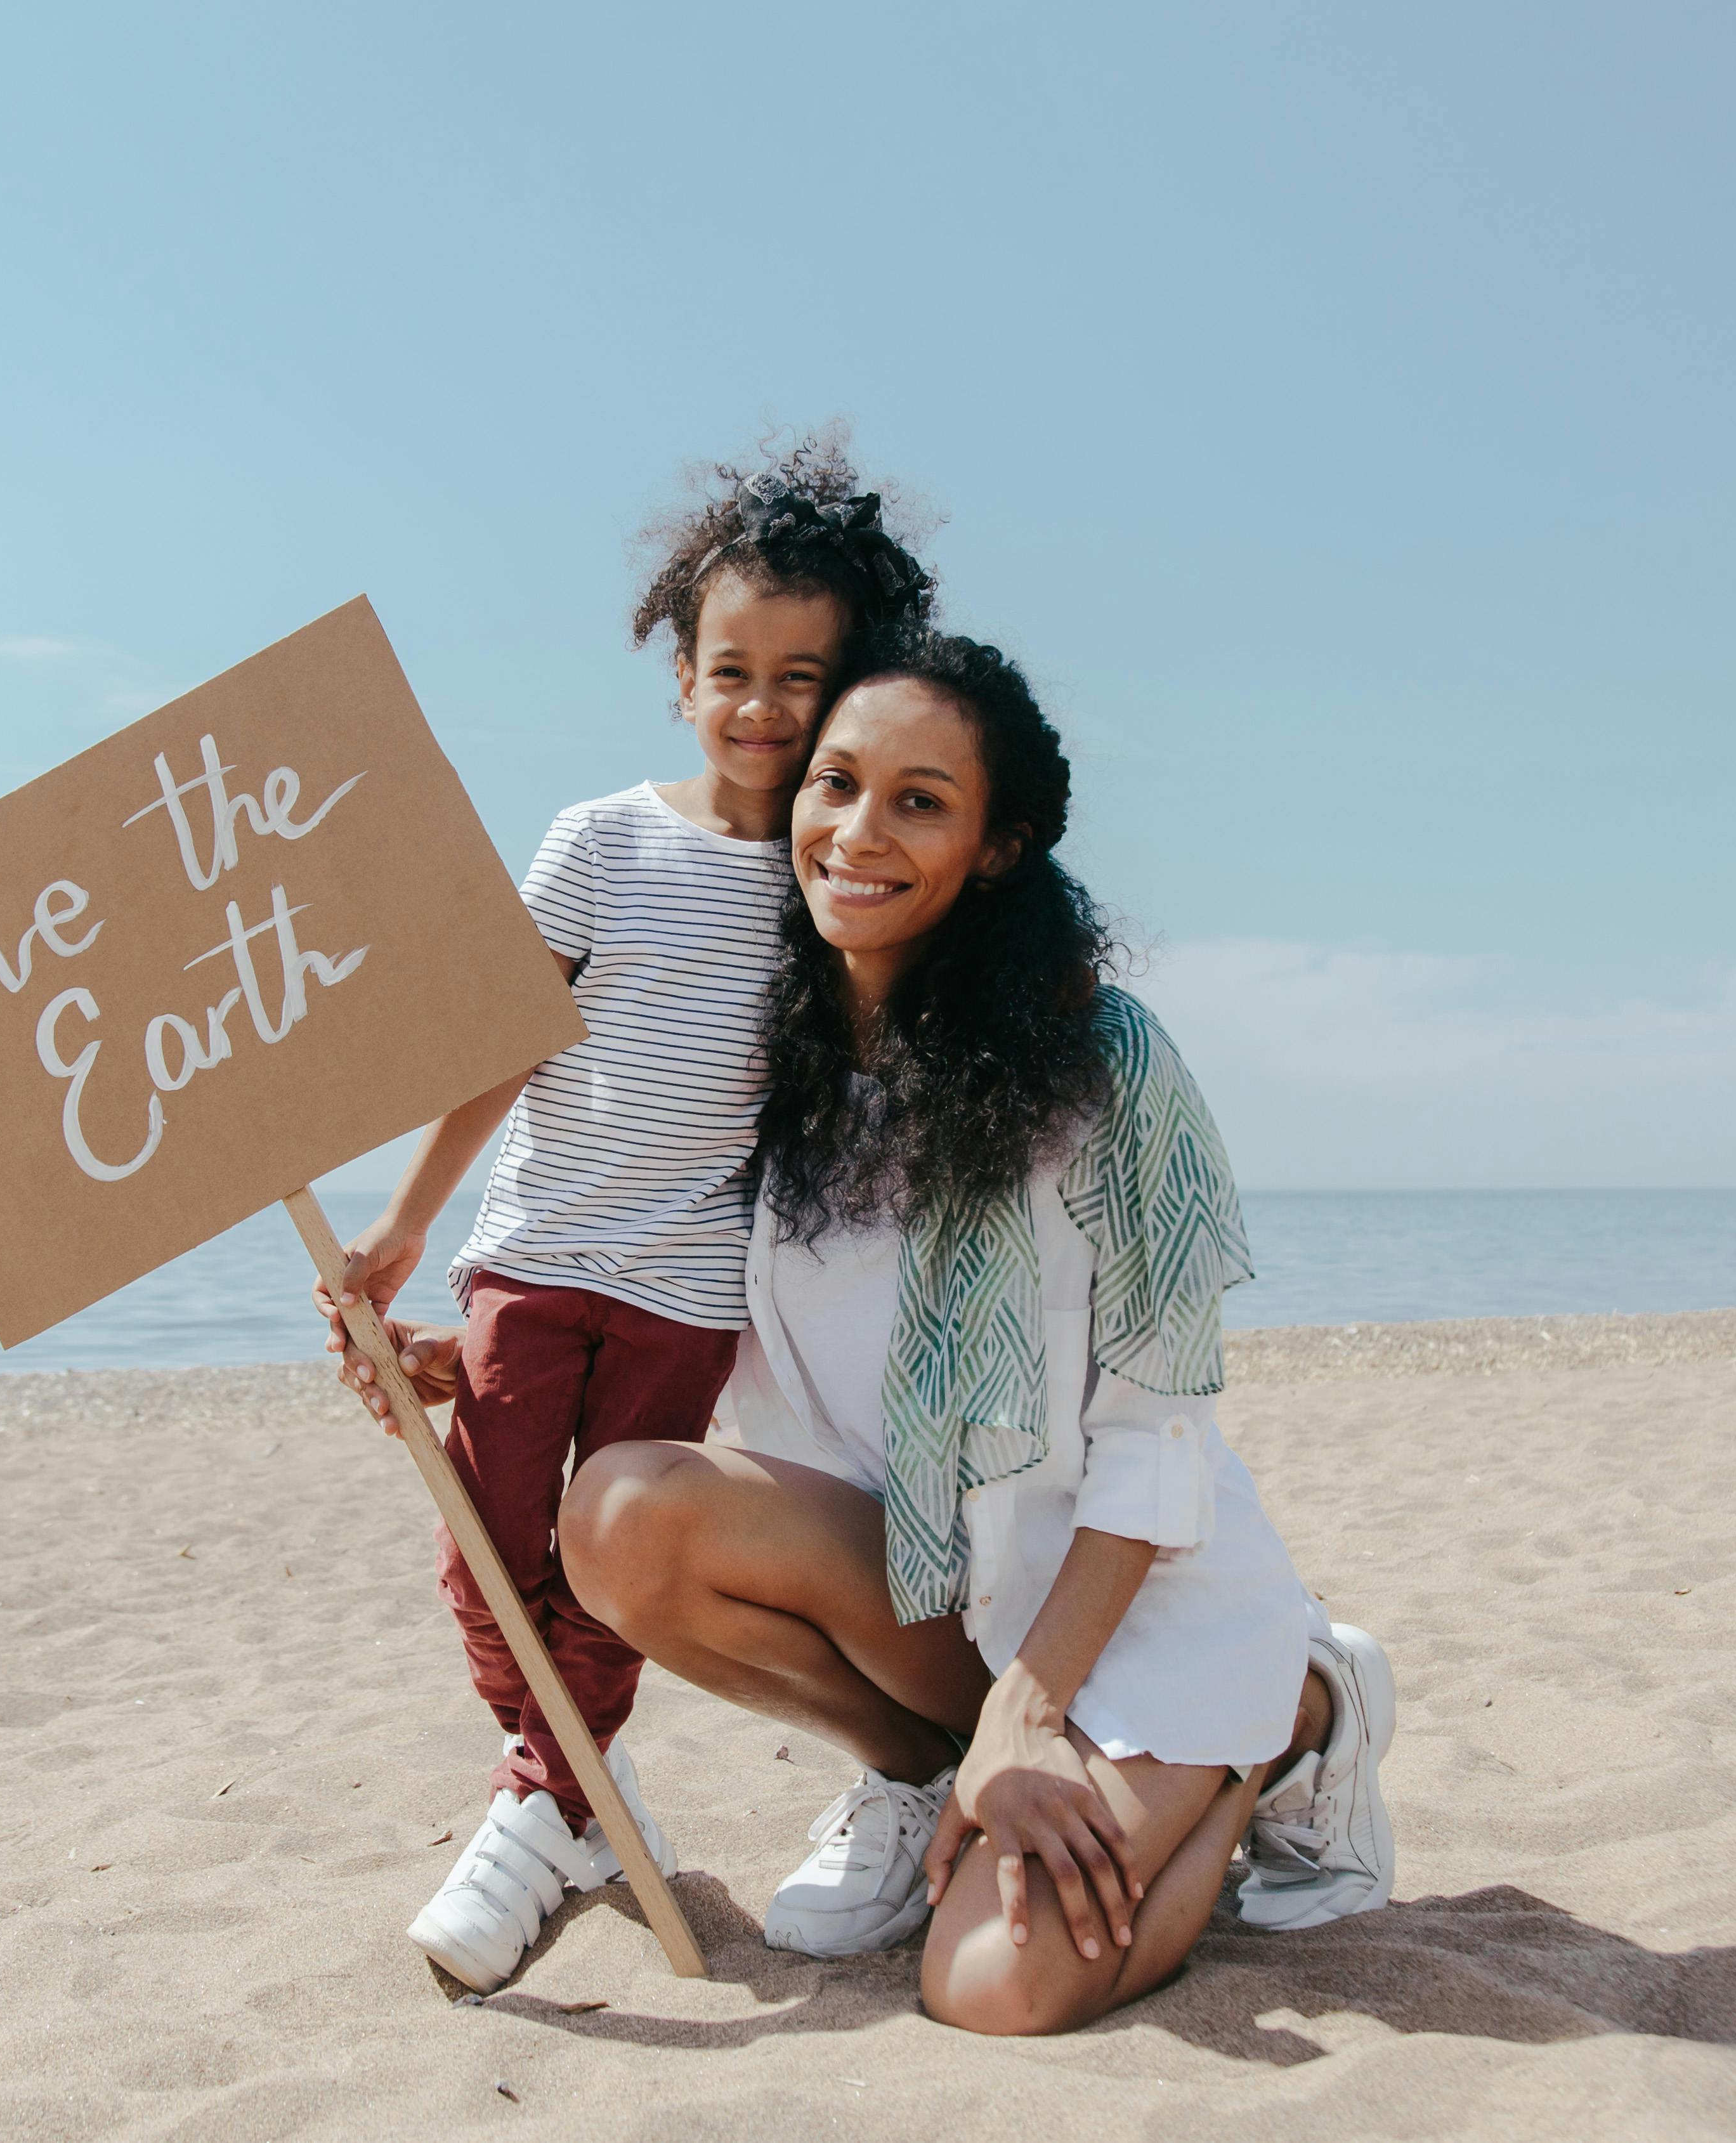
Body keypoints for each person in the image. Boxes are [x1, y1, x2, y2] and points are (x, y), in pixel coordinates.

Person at [348, 629, 1396, 2033]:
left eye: (918, 801)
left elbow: (1160, 1441)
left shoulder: (1106, 1066)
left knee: (991, 1987)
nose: (854, 831)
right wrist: (462, 1350)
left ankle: (1286, 1725)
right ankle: (921, 1767)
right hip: (928, 1595)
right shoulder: (773, 1067)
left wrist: (1033, 1709)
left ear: (998, 846)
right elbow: (687, 1306)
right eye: (833, 782)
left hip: (1125, 1615)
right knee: (619, 1516)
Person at [317, 434, 936, 1993]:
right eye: (731, 670)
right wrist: (401, 1232)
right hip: (527, 1260)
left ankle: (543, 1804)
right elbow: (495, 1040)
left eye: (804, 678)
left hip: (686, 1291)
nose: (761, 707)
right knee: (480, 1553)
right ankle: (575, 1788)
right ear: (678, 672)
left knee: (597, 1565)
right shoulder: (600, 839)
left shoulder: (825, 877)